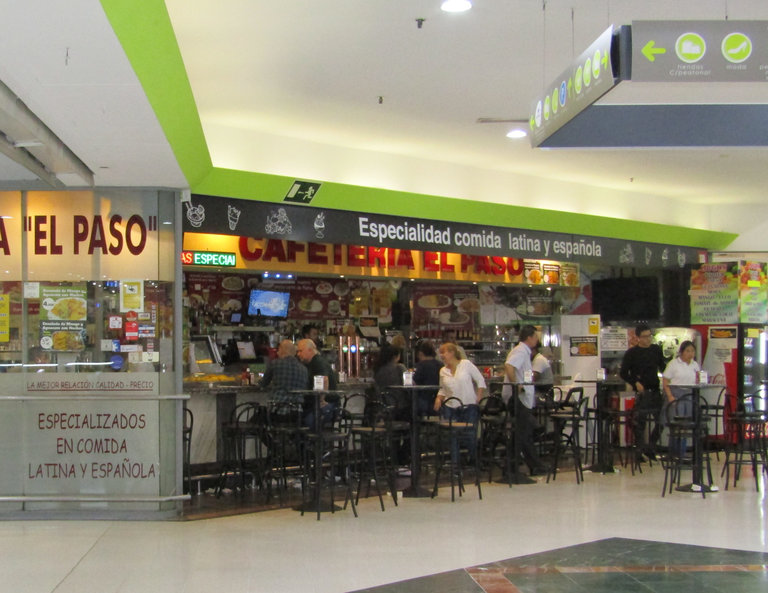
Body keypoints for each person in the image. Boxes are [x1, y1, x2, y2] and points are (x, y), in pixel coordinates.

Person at [503, 324, 547, 476]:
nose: (537, 340)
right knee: (523, 433)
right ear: (529, 338)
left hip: (522, 398)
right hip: (518, 398)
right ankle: (522, 466)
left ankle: (530, 465)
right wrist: (517, 385)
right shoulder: (521, 351)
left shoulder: (523, 351)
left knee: (523, 433)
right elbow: (509, 366)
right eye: (535, 337)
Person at [620, 323, 666, 460]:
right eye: (645, 337)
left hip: (655, 390)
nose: (648, 339)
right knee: (640, 423)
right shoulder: (632, 353)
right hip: (642, 392)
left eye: (649, 336)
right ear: (638, 338)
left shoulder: (656, 350)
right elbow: (624, 373)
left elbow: (662, 367)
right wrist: (635, 382)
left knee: (661, 421)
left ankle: (650, 446)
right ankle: (639, 451)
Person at [434, 342, 486, 462]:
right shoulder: (442, 371)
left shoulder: (466, 364)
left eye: (443, 352)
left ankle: (473, 460)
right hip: (450, 406)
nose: (441, 356)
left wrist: (478, 396)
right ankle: (455, 464)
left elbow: (480, 380)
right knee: (453, 436)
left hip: (468, 405)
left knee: (470, 435)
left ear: (452, 353)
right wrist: (438, 399)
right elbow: (443, 388)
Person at [661, 340, 700, 458]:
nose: (690, 354)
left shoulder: (695, 365)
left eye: (692, 351)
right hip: (676, 395)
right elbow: (665, 380)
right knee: (676, 425)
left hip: (689, 395)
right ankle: (673, 453)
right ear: (682, 352)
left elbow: (698, 378)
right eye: (688, 351)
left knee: (686, 426)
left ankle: (682, 453)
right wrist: (670, 396)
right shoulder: (674, 364)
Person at [297, 338, 338, 427]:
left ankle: (315, 440)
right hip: (318, 405)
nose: (298, 354)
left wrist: (321, 400)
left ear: (310, 350)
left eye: (300, 351)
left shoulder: (318, 362)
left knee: (306, 423)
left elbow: (324, 379)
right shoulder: (311, 363)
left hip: (329, 404)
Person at [258, 340, 308, 411]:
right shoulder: (304, 369)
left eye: (278, 350)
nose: (277, 353)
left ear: (282, 350)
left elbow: (263, 384)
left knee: (257, 417)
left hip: (276, 410)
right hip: (296, 412)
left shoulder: (275, 364)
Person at [413, 340, 442, 416]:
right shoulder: (440, 364)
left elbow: (415, 380)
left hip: (424, 398)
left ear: (421, 354)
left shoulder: (421, 365)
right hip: (438, 398)